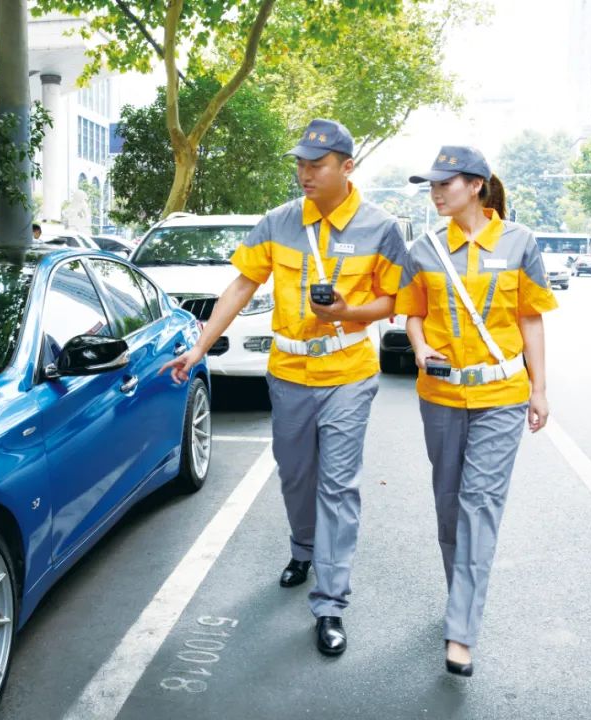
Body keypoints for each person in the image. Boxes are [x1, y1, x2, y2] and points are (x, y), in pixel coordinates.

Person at [160, 119, 407, 656]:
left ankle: (331, 603)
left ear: (347, 167)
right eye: (299, 163)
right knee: (296, 475)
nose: (304, 173)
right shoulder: (277, 222)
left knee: (339, 486)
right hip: (289, 373)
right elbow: (243, 283)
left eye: (316, 165)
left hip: (348, 373)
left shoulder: (381, 227)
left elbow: (393, 301)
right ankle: (302, 548)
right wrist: (200, 346)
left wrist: (348, 311)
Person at [397, 146, 557, 677]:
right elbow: (413, 315)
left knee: (479, 504)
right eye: (432, 184)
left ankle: (461, 629)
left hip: (501, 396)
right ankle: (459, 594)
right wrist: (420, 350)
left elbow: (531, 319)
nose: (436, 192)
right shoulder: (422, 249)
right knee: (449, 508)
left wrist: (539, 389)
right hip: (440, 395)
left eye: (446, 183)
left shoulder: (519, 243)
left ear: (477, 186)